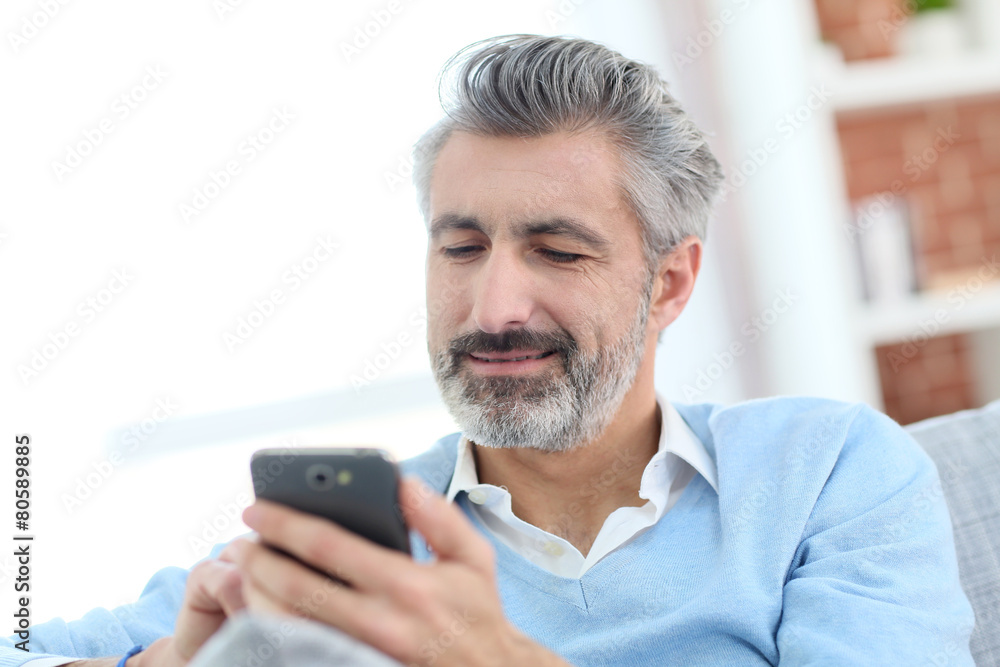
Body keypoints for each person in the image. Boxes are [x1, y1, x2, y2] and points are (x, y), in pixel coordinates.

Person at [3, 34, 975, 667]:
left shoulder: (829, 471)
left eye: (556, 250)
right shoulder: (367, 537)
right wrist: (157, 663)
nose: (493, 304)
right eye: (460, 247)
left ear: (671, 282)